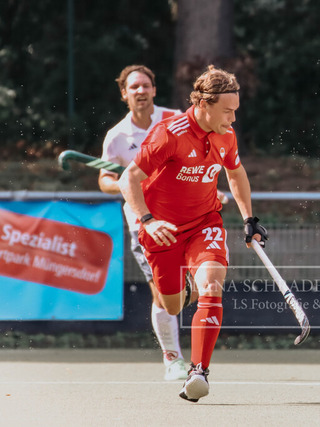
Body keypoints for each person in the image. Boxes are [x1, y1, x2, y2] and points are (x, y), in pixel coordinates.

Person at [118, 64, 267, 403]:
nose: (233, 118)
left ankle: (198, 371)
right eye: (227, 111)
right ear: (203, 104)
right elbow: (129, 178)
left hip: (205, 223)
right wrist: (148, 221)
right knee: (171, 306)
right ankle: (185, 288)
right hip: (163, 232)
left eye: (235, 110)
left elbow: (236, 173)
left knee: (212, 285)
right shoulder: (169, 133)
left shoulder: (226, 135)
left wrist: (249, 218)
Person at [98, 65, 189, 381]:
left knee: (193, 289)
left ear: (154, 90)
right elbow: (105, 180)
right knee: (163, 294)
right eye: (134, 87)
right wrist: (127, 182)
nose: (141, 91)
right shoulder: (117, 137)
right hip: (144, 223)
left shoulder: (174, 119)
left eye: (146, 85)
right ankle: (173, 359)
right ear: (124, 94)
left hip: (184, 217)